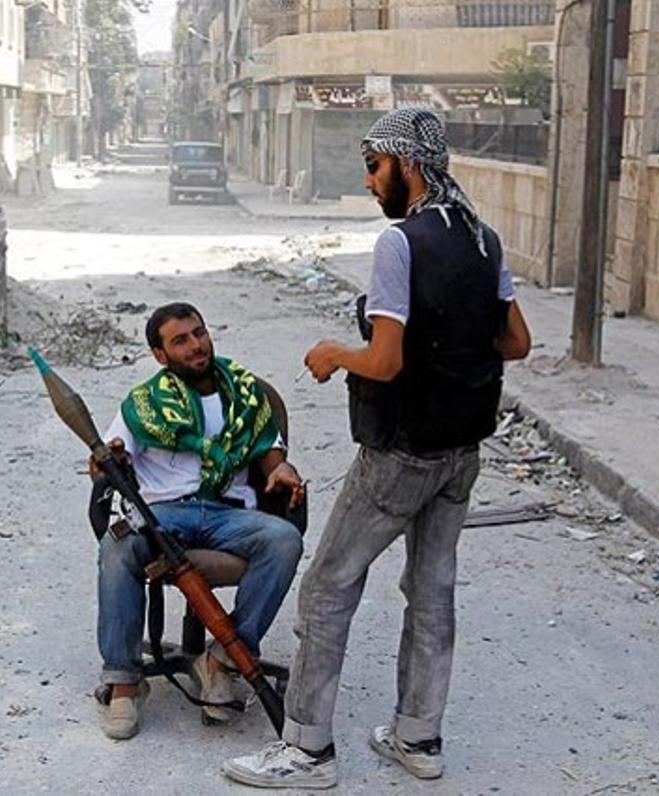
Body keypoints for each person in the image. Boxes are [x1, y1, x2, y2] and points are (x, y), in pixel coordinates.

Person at [223, 107, 532, 788]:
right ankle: (418, 737)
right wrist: (453, 346)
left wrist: (336, 353)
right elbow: (516, 343)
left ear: (408, 165)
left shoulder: (401, 244)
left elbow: (386, 362)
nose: (367, 181)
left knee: (327, 588)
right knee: (432, 591)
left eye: (374, 166)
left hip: (401, 453)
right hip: (462, 451)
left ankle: (307, 751)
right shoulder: (483, 239)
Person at [93, 302, 306, 741]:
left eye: (199, 333)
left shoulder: (245, 392)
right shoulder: (145, 403)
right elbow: (111, 456)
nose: (196, 345)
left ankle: (226, 657)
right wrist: (108, 461)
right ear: (160, 354)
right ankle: (125, 681)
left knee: (284, 539)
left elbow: (270, 450)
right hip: (163, 515)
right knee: (117, 546)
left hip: (230, 514)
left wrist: (280, 469)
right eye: (180, 341)